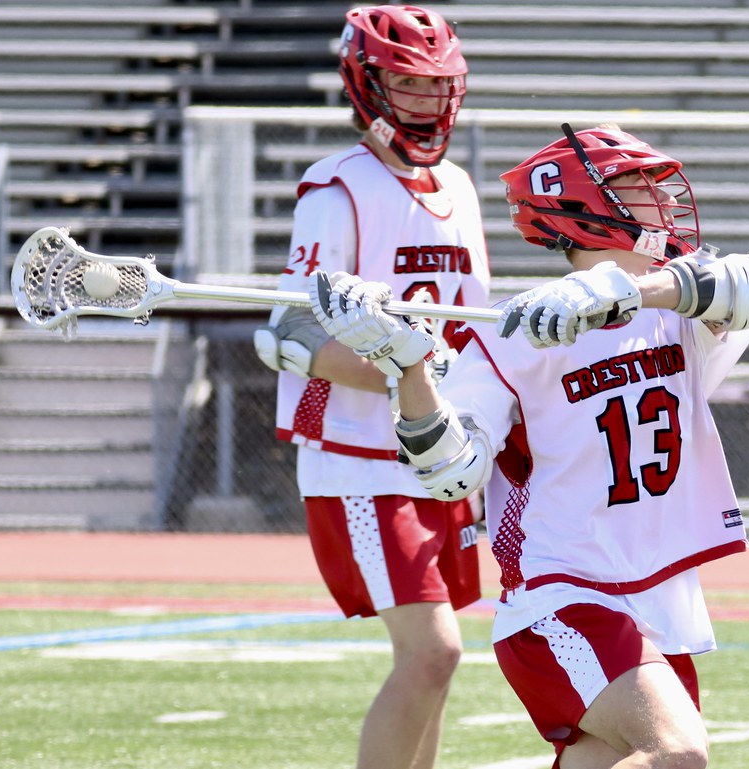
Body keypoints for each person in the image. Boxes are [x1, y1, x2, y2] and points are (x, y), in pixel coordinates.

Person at [307, 123, 749, 768]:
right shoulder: (516, 330)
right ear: (586, 205)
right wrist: (409, 366)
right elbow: (449, 473)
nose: (665, 199)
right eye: (639, 184)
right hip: (563, 595)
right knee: (678, 755)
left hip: (656, 592)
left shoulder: (679, 303)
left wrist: (624, 291)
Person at [252, 6, 490, 769]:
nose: (426, 100)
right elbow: (291, 336)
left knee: (436, 667)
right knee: (433, 651)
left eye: (437, 84)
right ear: (367, 85)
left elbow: (471, 325)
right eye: (407, 83)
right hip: (360, 456)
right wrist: (404, 365)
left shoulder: (459, 187)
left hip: (439, 452)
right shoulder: (337, 190)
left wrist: (452, 381)